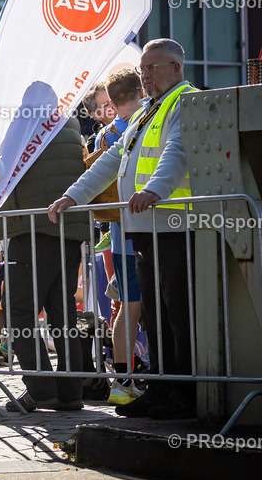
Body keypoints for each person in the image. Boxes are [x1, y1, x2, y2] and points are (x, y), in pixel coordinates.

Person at [49, 38, 197, 420]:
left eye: (152, 68)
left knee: (178, 313)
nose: (144, 75)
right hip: (144, 227)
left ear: (175, 68)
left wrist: (154, 189)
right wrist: (74, 195)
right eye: (143, 69)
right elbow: (114, 159)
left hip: (175, 225)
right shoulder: (149, 109)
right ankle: (161, 389)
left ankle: (185, 393)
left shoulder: (186, 101)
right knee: (154, 312)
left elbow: (178, 151)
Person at [0, 117, 86, 412]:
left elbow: (4, 171)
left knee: (17, 310)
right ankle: (70, 392)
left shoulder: (24, 125)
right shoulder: (69, 124)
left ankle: (40, 387)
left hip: (34, 230)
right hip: (69, 230)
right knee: (63, 314)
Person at [97, 69, 146, 406]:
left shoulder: (106, 135)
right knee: (160, 306)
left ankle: (122, 381)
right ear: (142, 89)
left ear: (112, 103)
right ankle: (166, 376)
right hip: (156, 231)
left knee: (125, 308)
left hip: (119, 235)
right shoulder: (149, 121)